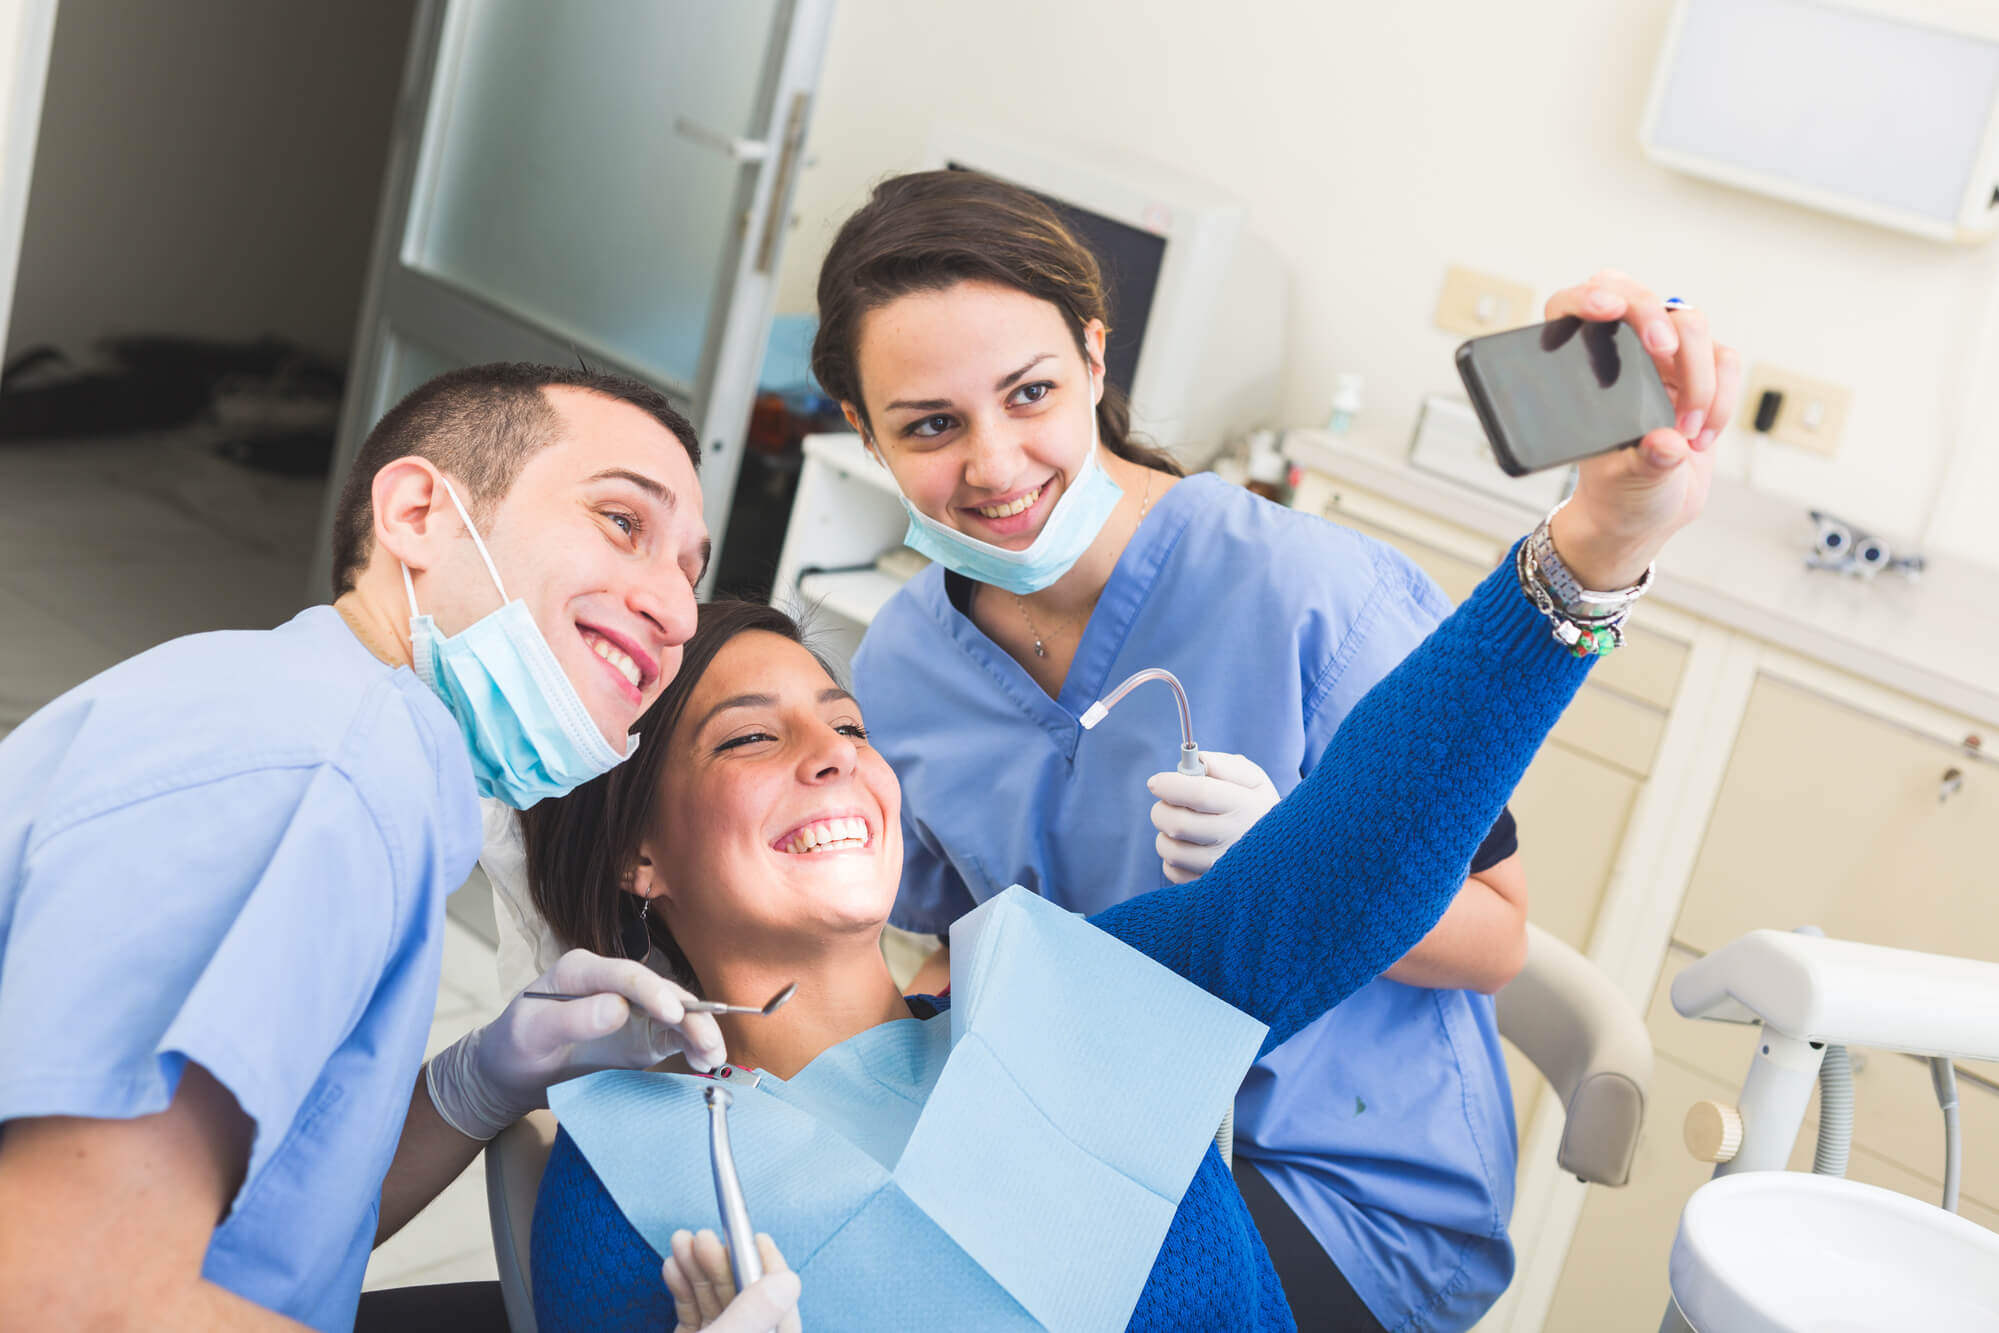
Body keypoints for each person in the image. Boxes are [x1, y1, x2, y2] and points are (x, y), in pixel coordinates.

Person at [513, 371, 1723, 1331]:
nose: (833, 758)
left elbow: (1359, 861)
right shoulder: (634, 1183)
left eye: (848, 726)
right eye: (748, 741)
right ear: (639, 857)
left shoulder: (1064, 990)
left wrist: (1594, 547)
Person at [809, 171, 1737, 1329]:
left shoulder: (1309, 591)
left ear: (1097, 361)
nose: (994, 467)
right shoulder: (904, 661)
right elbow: (950, 936)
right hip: (1093, 1134)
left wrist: (1297, 860)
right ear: (862, 428)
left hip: (1335, 1184)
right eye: (931, 425)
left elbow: (1498, 935)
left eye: (1031, 393)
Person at [0, 363, 797, 1332]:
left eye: (688, 569)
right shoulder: (326, 771)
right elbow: (68, 1300)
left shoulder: (345, 742)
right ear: (419, 512)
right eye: (624, 523)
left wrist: (482, 1080)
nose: (675, 613)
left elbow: (265, 1234)